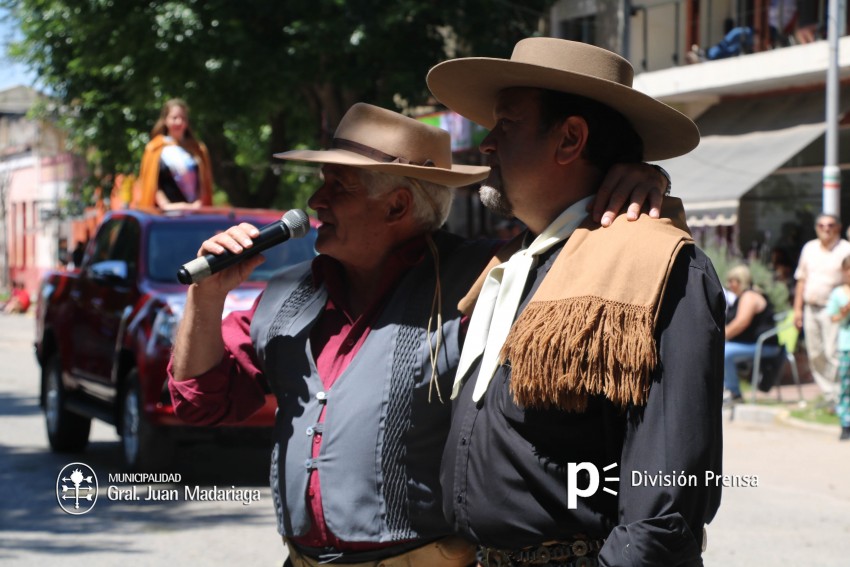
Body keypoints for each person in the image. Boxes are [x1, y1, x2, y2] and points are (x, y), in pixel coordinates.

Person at [168, 102, 673, 567]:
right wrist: (206, 297)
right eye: (323, 181)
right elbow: (200, 403)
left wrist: (636, 180)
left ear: (397, 207)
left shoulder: (487, 277)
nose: (315, 199)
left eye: (339, 186)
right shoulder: (288, 295)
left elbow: (576, 236)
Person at [427, 37, 724, 565]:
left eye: (508, 123)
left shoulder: (659, 266)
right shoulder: (512, 263)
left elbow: (666, 503)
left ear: (569, 139)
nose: (488, 143)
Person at [794, 213, 850, 403]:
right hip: (811, 307)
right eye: (821, 225)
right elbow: (801, 280)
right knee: (815, 353)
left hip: (833, 308)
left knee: (833, 352)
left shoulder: (845, 249)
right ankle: (829, 395)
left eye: (830, 225)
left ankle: (839, 395)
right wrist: (797, 309)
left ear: (838, 227)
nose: (826, 229)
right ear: (816, 228)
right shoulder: (809, 248)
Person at [135, 98, 214, 210]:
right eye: (174, 118)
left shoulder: (198, 149)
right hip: (166, 215)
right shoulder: (154, 148)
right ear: (165, 120)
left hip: (195, 213)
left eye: (183, 118)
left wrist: (198, 203)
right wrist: (167, 206)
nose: (179, 122)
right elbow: (151, 185)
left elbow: (204, 183)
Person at [723, 265, 780, 403]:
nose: (729, 285)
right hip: (751, 344)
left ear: (741, 281)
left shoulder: (749, 296)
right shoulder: (741, 297)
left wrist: (720, 337)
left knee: (723, 352)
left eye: (732, 281)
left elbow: (741, 323)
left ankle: (735, 393)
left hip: (764, 345)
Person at [826, 255, 850, 440]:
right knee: (845, 386)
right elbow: (832, 317)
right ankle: (845, 422)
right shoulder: (839, 293)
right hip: (846, 345)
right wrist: (844, 312)